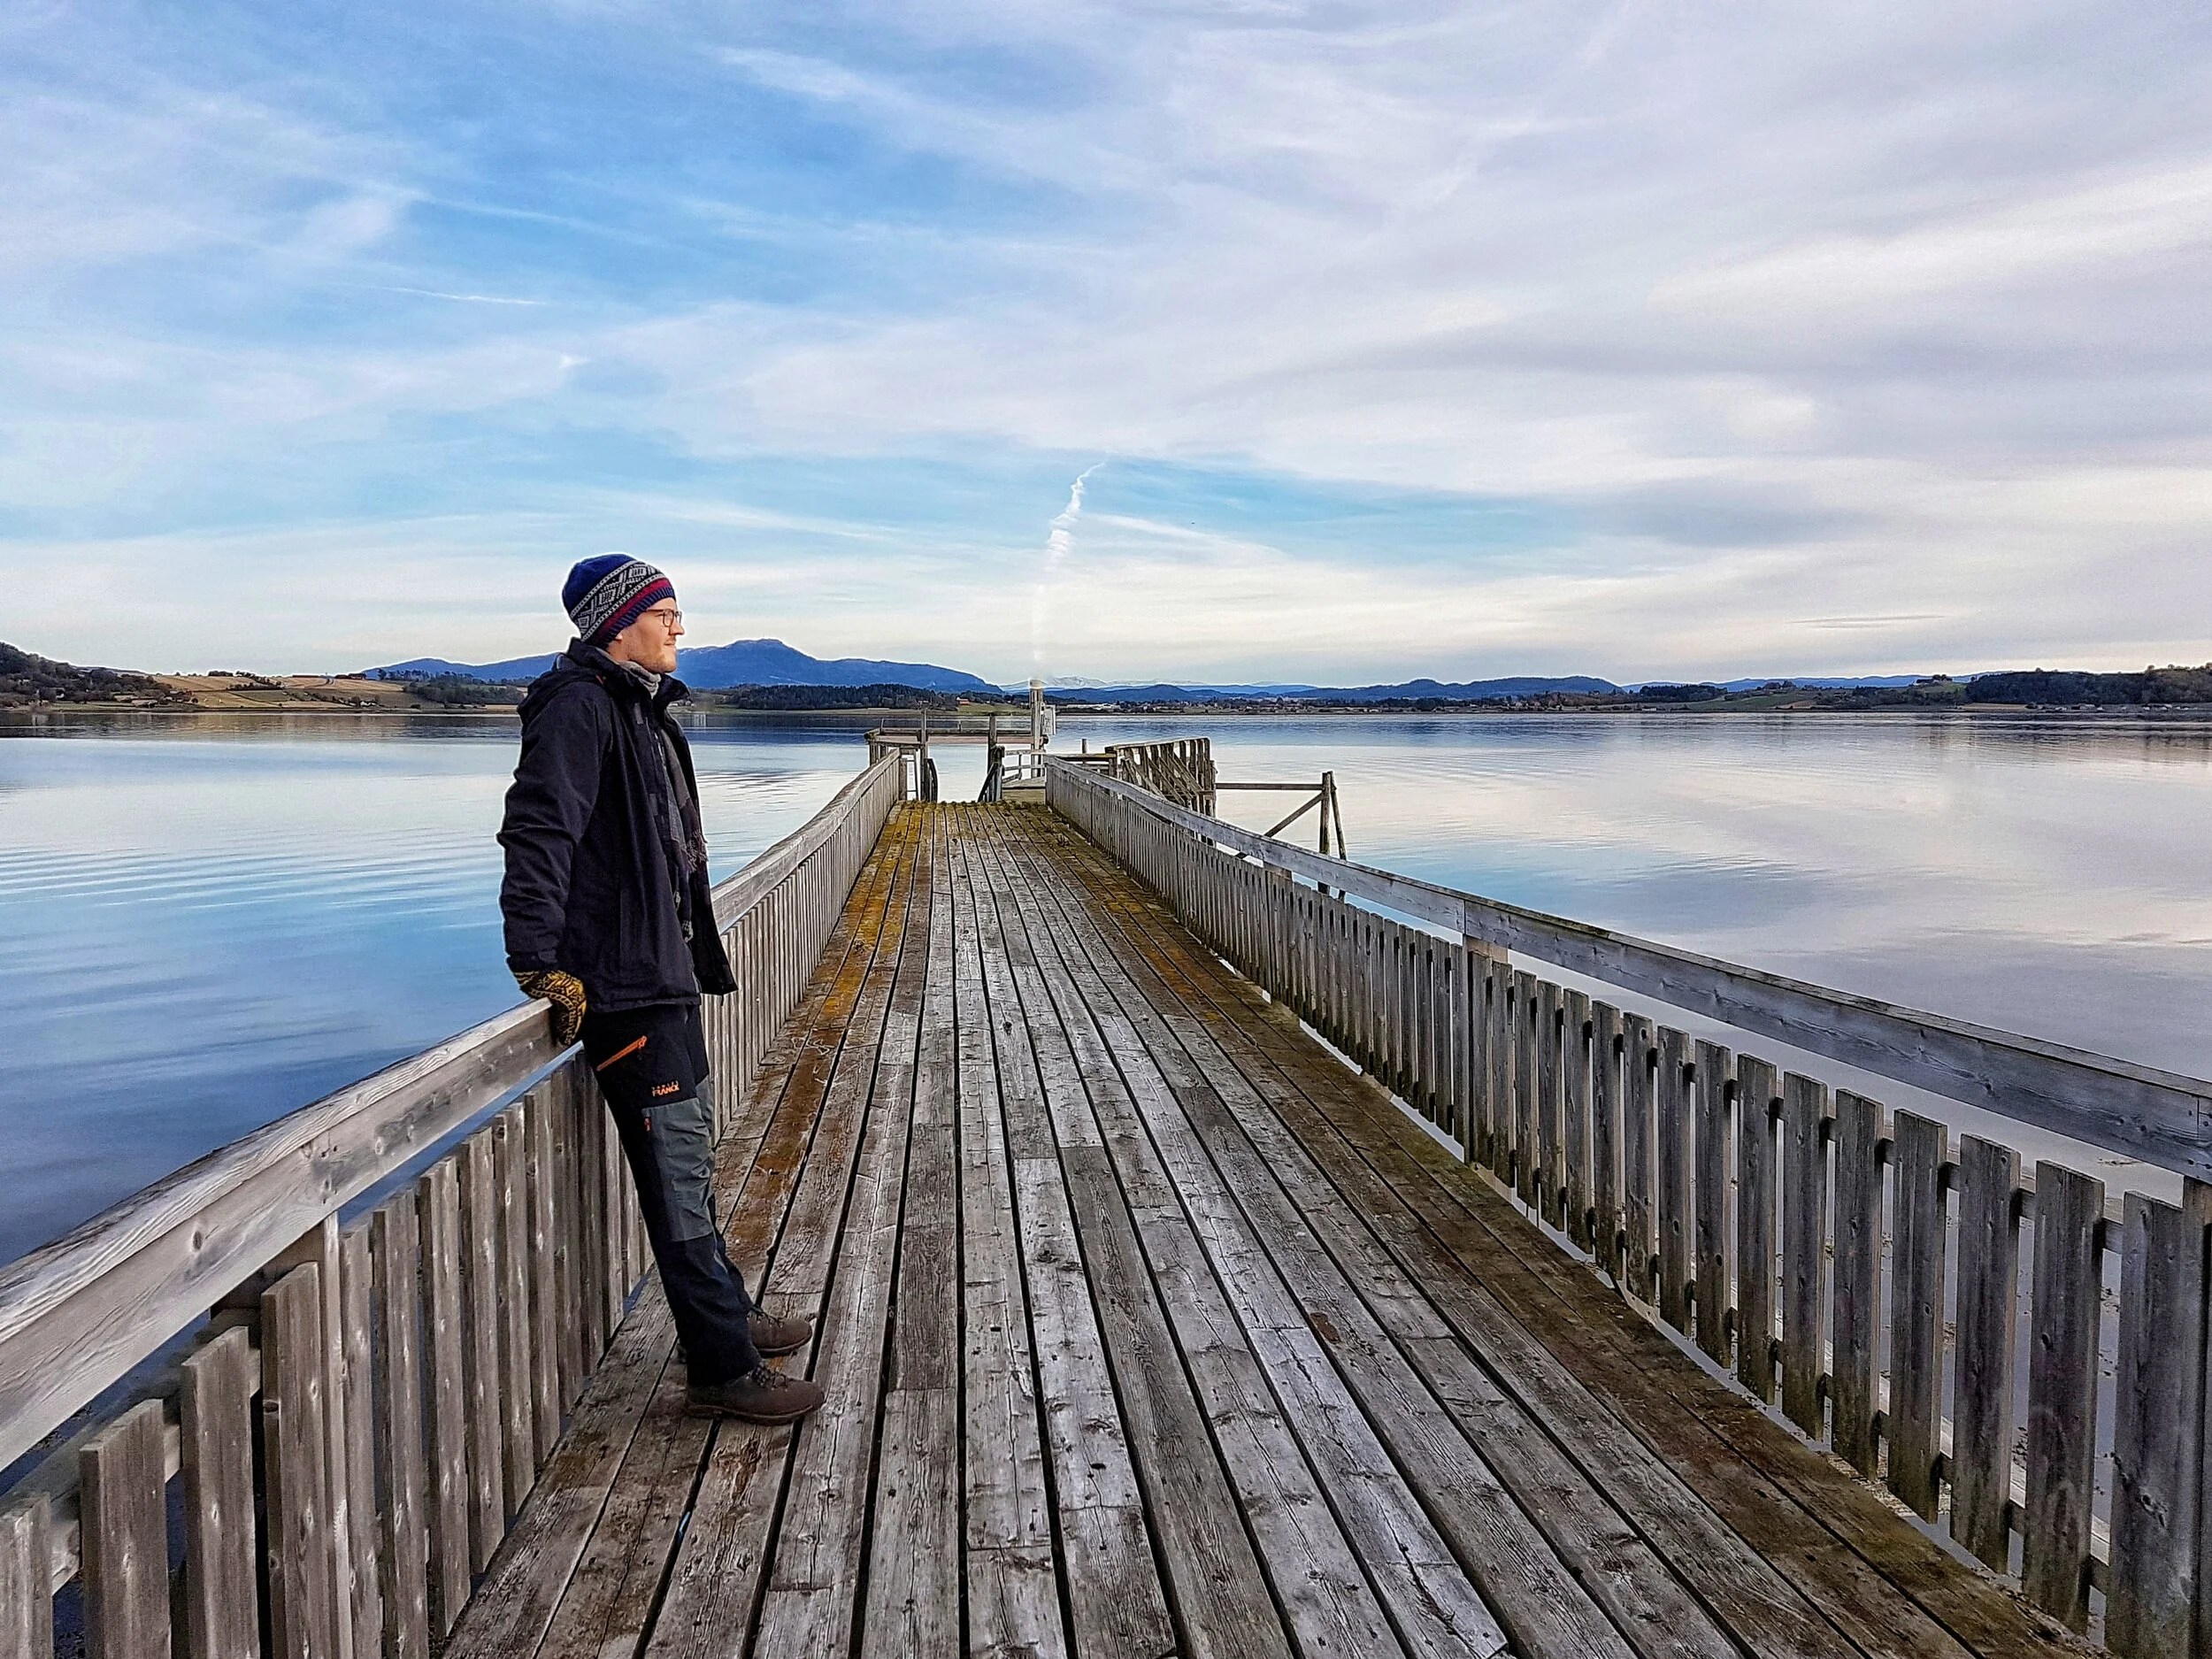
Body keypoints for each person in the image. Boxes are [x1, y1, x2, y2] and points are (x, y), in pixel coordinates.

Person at [496, 554, 824, 1424]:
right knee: (678, 1172)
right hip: (625, 987)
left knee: (692, 1159)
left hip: (662, 975)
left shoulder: (637, 713)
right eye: (667, 611)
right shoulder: (579, 710)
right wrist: (537, 960)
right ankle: (720, 1368)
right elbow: (538, 834)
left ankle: (730, 1318)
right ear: (617, 622)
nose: (682, 626)